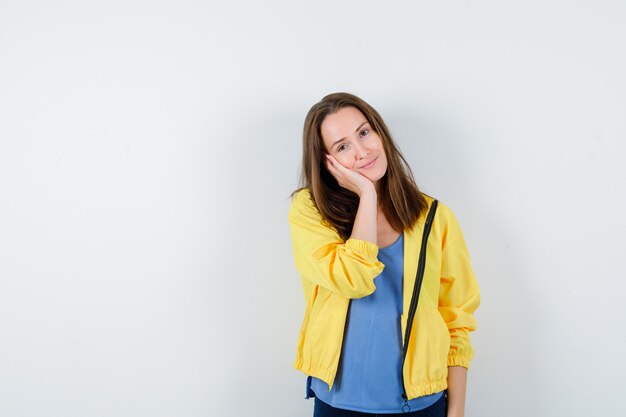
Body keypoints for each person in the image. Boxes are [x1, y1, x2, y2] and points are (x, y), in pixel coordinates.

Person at [288, 92, 480, 417]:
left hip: (422, 404)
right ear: (327, 162)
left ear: (379, 132)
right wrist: (366, 194)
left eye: (364, 133)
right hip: (338, 404)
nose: (362, 152)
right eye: (342, 146)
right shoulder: (311, 212)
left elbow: (456, 318)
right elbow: (355, 280)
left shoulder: (434, 217)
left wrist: (457, 410)